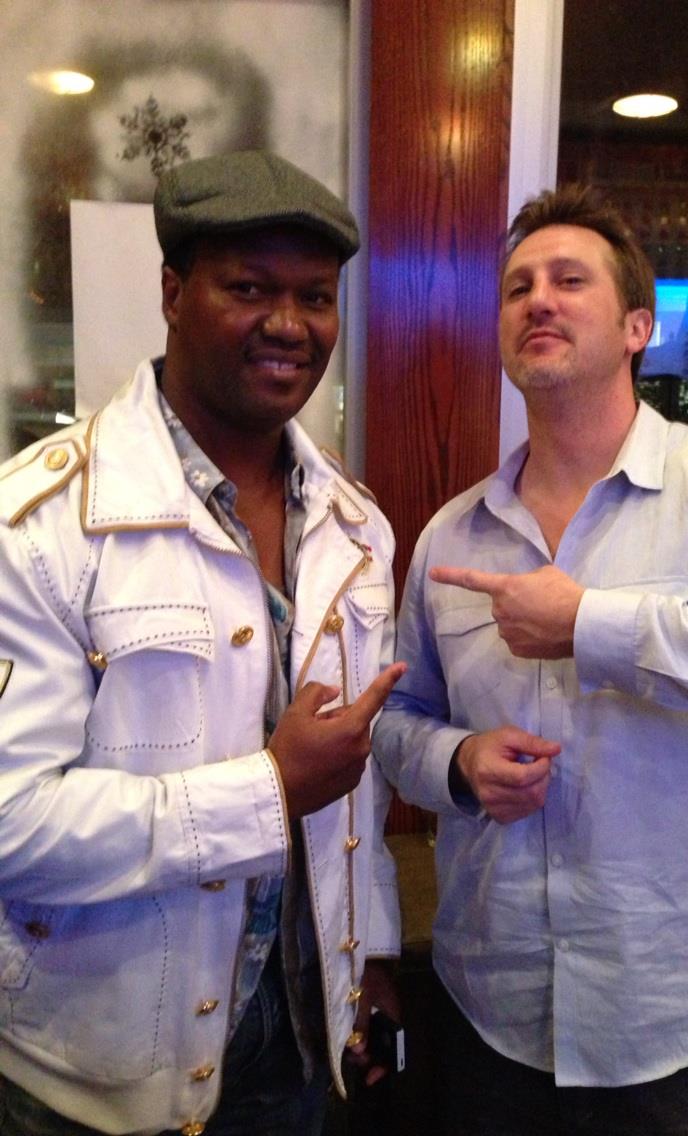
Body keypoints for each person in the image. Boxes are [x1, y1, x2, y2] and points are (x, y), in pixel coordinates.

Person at [372, 183, 688, 1136]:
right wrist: (456, 764)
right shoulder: (450, 534)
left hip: (684, 1025)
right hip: (494, 1014)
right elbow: (394, 719)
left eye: (569, 280)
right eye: (518, 287)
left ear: (639, 326)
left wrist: (594, 626)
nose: (537, 300)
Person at [0, 150, 405, 1136]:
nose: (288, 322)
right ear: (174, 294)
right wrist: (267, 791)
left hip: (300, 1048)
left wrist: (371, 958)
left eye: (315, 296)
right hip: (98, 1073)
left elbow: (359, 788)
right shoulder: (41, 525)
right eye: (250, 288)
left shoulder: (357, 526)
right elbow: (10, 824)